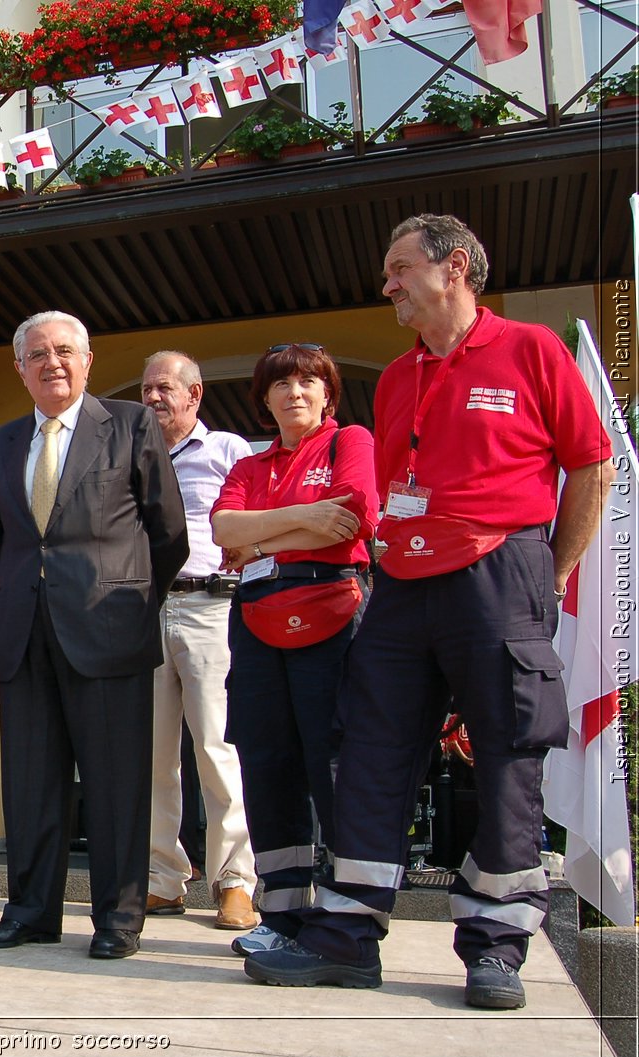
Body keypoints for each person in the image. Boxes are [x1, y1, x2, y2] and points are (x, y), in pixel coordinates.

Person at [246, 215, 615, 1010]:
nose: (388, 284)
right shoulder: (401, 377)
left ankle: (495, 946)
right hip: (402, 583)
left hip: (501, 569)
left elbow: (592, 466)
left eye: (399, 268)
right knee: (369, 750)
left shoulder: (531, 349)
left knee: (509, 752)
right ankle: (346, 934)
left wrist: (550, 574)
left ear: (453, 268)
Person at [0, 311, 187, 961]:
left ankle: (119, 918)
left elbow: (168, 534)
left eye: (65, 351)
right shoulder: (3, 443)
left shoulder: (129, 425)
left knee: (116, 782)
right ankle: (32, 911)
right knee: (31, 784)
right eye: (37, 354)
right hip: (23, 633)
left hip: (109, 629)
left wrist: (126, 599)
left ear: (88, 360)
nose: (53, 363)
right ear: (20, 369)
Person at [208, 344, 377, 955]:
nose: (295, 392)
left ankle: (342, 919)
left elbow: (357, 513)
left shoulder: (350, 442)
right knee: (266, 762)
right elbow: (224, 531)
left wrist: (262, 536)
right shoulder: (251, 465)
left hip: (332, 610)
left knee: (331, 763)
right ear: (265, 399)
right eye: (281, 384)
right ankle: (279, 917)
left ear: (329, 394)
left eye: (309, 382)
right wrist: (307, 517)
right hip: (255, 620)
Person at [138, 351, 261, 932]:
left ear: (195, 394)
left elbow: (262, 521)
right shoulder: (131, 454)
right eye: (146, 390)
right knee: (155, 756)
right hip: (144, 609)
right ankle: (163, 880)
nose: (154, 398)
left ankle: (234, 881)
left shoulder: (230, 451)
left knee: (217, 748)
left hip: (211, 606)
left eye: (164, 388)